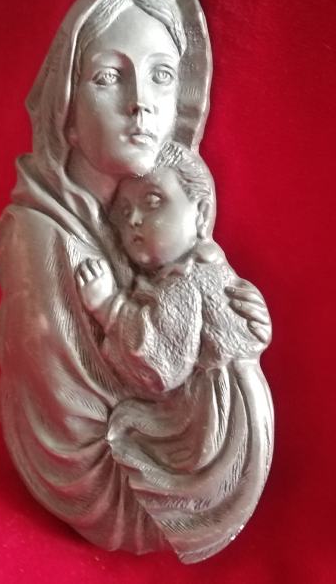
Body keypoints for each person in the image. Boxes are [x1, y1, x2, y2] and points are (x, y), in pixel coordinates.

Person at [0, 0, 272, 559]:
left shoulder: (171, 231)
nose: (141, 103)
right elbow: (78, 434)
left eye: (162, 75)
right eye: (108, 77)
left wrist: (236, 329)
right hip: (124, 483)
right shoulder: (44, 238)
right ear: (67, 109)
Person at [75, 141, 273, 562]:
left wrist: (107, 305)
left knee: (131, 440)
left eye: (152, 201)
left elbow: (159, 365)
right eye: (123, 211)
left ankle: (179, 524)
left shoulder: (183, 281)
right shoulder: (207, 267)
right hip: (242, 404)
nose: (133, 220)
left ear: (201, 213)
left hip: (210, 421)